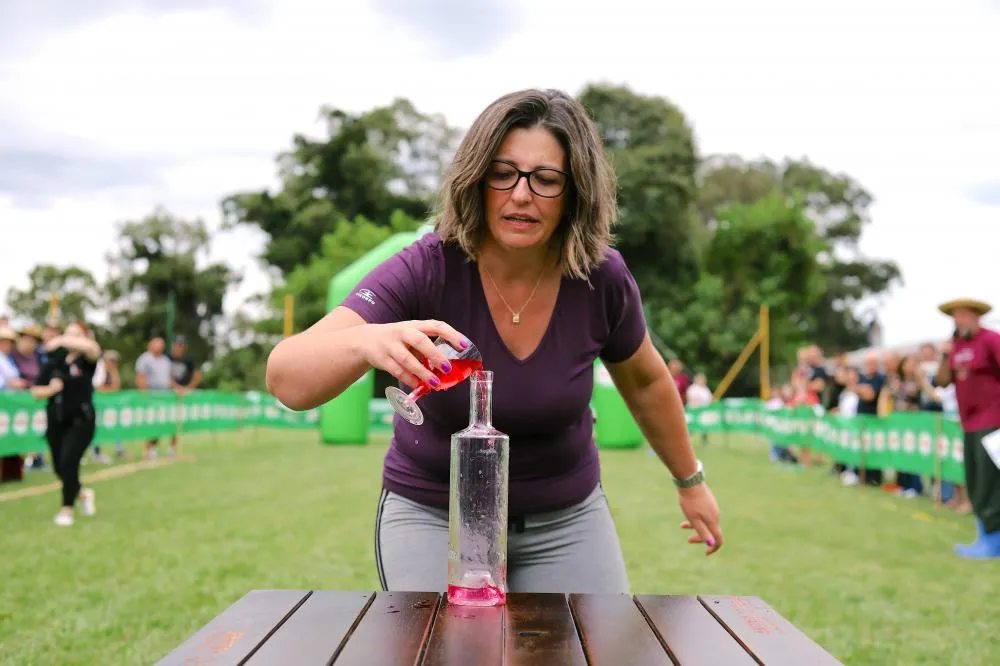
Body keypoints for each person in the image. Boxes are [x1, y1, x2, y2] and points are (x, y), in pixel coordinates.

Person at [267, 88, 723, 594]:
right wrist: (365, 341)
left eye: (546, 179)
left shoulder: (602, 278)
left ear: (576, 192)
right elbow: (287, 377)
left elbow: (645, 382)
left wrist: (690, 481)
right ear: (477, 178)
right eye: (502, 173)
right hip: (433, 518)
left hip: (565, 523)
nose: (521, 194)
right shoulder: (426, 267)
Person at [935, 298, 1000, 559]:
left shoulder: (991, 340)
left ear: (976, 316)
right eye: (955, 316)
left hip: (993, 422)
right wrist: (944, 354)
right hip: (969, 424)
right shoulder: (956, 347)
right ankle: (983, 537)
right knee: (974, 481)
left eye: (963, 315)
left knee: (989, 482)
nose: (958, 320)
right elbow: (941, 381)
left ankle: (993, 542)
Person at [30, 321, 102, 526]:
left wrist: (60, 339)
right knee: (59, 468)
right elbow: (36, 391)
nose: (71, 340)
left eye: (76, 335)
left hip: (81, 421)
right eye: (68, 335)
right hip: (56, 420)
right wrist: (51, 389)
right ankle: (83, 494)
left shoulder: (86, 361)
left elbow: (93, 349)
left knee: (69, 462)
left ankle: (67, 509)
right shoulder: (54, 362)